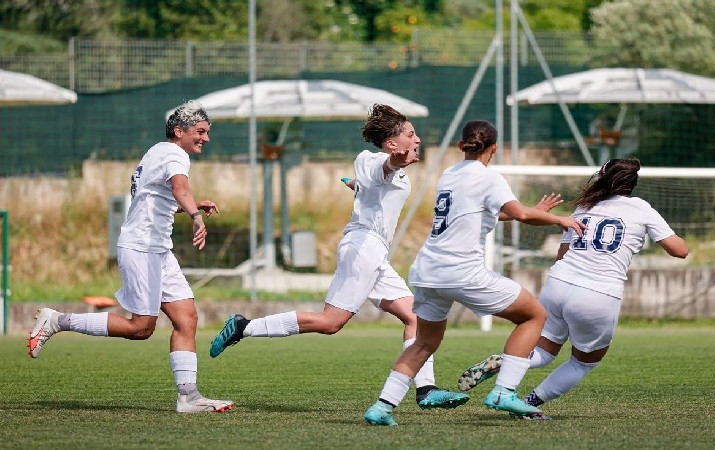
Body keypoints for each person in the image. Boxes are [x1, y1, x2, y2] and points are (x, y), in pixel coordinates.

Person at [209, 103, 468, 409]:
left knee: (416, 318)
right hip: (363, 248)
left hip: (375, 253)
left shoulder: (392, 173)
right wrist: (392, 163)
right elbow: (379, 171)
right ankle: (244, 326)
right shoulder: (373, 160)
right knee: (331, 322)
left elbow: (371, 186)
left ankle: (426, 390)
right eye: (411, 135)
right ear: (392, 144)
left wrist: (356, 186)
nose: (418, 140)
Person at [363, 119, 586, 426]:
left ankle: (382, 407)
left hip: (427, 270)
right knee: (533, 316)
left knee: (424, 343)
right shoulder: (488, 177)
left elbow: (494, 213)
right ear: (494, 148)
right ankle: (504, 392)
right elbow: (519, 213)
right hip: (462, 271)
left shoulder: (449, 174)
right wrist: (559, 220)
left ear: (460, 146)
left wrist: (535, 212)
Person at [27, 100, 234, 414]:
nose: (206, 138)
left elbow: (154, 198)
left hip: (158, 250)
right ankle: (57, 321)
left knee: (186, 318)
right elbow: (179, 187)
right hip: (142, 248)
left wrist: (189, 207)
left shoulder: (157, 152)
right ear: (179, 131)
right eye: (200, 131)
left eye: (207, 132)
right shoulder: (174, 154)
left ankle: (189, 397)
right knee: (141, 327)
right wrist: (194, 214)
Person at [457, 158, 689, 419]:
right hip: (598, 293)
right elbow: (679, 251)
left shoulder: (584, 207)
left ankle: (504, 361)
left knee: (544, 352)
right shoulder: (641, 208)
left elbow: (562, 254)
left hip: (558, 284)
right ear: (631, 184)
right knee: (582, 362)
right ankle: (530, 402)